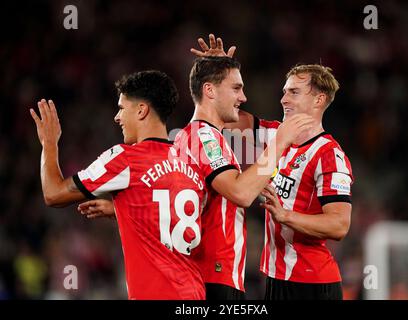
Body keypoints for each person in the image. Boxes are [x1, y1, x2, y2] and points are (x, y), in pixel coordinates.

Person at [193, 35, 354, 300]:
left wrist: (286, 216)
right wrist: (215, 75)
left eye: (293, 92)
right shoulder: (273, 136)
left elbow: (339, 225)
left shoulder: (329, 155)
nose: (283, 99)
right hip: (276, 278)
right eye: (283, 92)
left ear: (318, 100)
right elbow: (215, 115)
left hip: (312, 283)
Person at [30, 70, 207, 300]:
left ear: (142, 110)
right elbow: (172, 217)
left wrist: (49, 144)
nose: (117, 116)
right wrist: (122, 211)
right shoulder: (191, 162)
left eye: (122, 108)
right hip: (195, 296)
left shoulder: (125, 159)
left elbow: (53, 194)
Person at [172, 55, 314, 300]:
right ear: (210, 90)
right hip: (213, 274)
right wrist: (280, 142)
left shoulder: (193, 136)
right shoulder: (203, 137)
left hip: (207, 274)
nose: (243, 97)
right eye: (236, 88)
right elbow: (242, 193)